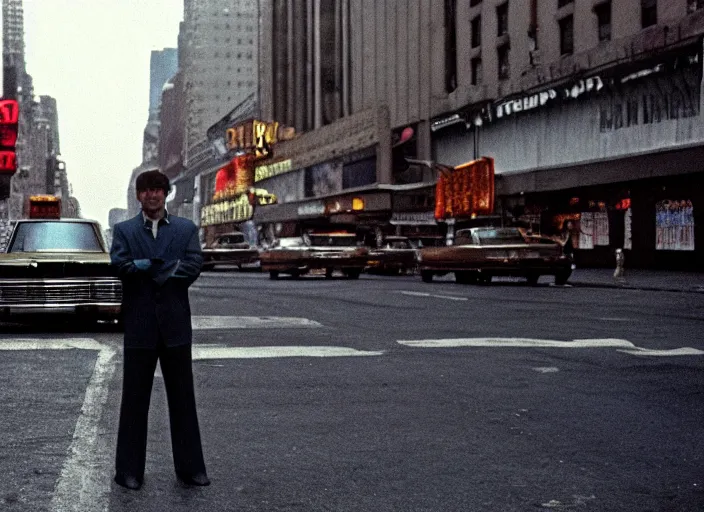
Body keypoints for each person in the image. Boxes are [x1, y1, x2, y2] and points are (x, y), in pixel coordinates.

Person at [110, 169, 209, 490]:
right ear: (139, 196)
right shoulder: (123, 230)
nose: (152, 195)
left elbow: (193, 264)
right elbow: (120, 265)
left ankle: (191, 469)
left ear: (166, 193)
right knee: (134, 400)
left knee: (183, 399)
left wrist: (154, 271)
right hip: (139, 327)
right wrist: (151, 267)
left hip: (176, 326)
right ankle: (129, 472)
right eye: (145, 190)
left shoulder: (186, 229)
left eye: (157, 189)